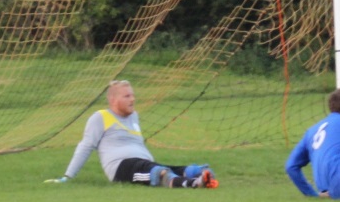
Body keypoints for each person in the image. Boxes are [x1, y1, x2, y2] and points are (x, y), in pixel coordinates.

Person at [45, 80, 217, 188]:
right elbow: (85, 147)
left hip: (144, 163)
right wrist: (67, 177)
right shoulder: (100, 117)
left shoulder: (134, 116)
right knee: (160, 173)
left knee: (178, 169)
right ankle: (193, 184)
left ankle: (200, 174)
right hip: (122, 168)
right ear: (113, 100)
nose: (132, 99)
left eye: (133, 95)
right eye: (127, 96)